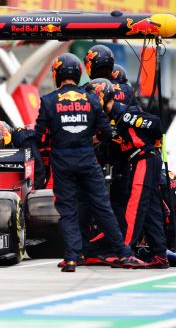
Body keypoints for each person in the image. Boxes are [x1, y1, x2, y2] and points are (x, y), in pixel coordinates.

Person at [34, 54, 144, 272]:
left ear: (57, 74)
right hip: (87, 160)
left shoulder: (48, 101)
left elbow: (40, 138)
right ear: (77, 74)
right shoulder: (93, 99)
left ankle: (73, 258)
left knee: (68, 210)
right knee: (102, 207)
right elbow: (106, 132)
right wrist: (89, 139)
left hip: (62, 162)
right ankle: (123, 254)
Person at [92, 78, 169, 268]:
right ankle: (160, 256)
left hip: (146, 158)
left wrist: (155, 142)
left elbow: (156, 123)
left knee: (135, 205)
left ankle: (125, 252)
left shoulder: (124, 115)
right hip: (139, 160)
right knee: (150, 209)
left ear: (101, 96)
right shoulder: (108, 120)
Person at [85, 45, 133, 231]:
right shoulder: (128, 91)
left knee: (89, 197)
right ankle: (123, 236)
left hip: (97, 152)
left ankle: (94, 233)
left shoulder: (87, 89)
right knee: (122, 199)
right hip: (124, 151)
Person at [0, 120, 46, 189]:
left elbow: (38, 167)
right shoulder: (18, 136)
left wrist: (35, 191)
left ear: (4, 135)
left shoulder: (21, 138)